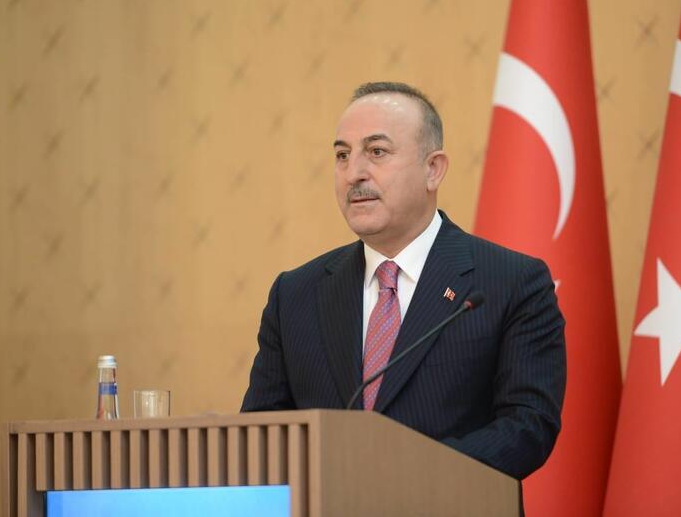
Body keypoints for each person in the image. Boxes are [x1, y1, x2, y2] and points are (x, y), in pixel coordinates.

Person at [241, 82, 566, 482]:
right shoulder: (295, 295)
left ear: (433, 169)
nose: (353, 174)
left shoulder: (511, 283)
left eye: (377, 152)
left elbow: (528, 427)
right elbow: (260, 432)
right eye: (342, 155)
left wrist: (406, 471)